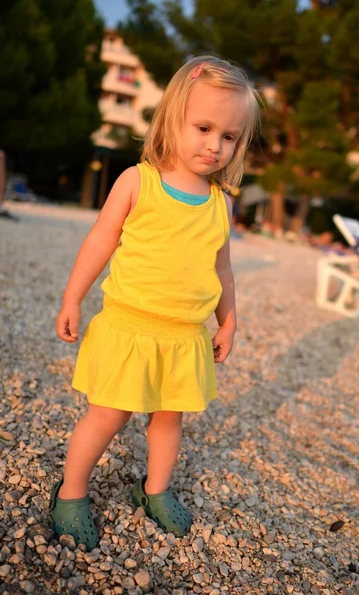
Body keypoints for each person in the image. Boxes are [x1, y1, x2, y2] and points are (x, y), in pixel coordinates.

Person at [51, 55, 261, 550]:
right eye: (204, 127)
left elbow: (221, 268)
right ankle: (71, 491)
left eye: (229, 136)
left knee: (169, 420)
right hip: (131, 327)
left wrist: (228, 321)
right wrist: (72, 297)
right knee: (107, 415)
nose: (215, 145)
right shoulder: (137, 181)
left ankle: (156, 489)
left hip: (183, 335)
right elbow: (100, 242)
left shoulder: (219, 202)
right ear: (172, 118)